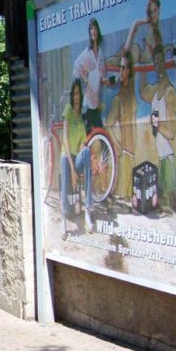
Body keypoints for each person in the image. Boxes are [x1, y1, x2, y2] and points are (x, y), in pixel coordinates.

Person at [126, 0, 176, 205]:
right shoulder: (156, 91)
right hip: (161, 159)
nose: (152, 16)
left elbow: (173, 132)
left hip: (168, 161)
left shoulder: (169, 93)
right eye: (149, 12)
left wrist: (158, 125)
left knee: (170, 203)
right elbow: (141, 92)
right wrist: (139, 67)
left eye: (154, 11)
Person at [105, 49, 137, 205]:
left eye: (124, 68)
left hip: (132, 152)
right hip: (124, 153)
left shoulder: (130, 93)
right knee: (125, 201)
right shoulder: (118, 99)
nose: (121, 70)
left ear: (129, 71)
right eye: (120, 67)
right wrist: (116, 145)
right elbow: (108, 124)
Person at [61, 78, 93, 234]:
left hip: (77, 158)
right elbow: (65, 140)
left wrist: (79, 171)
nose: (75, 97)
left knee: (87, 151)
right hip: (67, 158)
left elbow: (82, 146)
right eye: (73, 94)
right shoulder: (67, 110)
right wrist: (73, 172)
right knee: (63, 161)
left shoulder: (81, 120)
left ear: (81, 96)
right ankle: (63, 220)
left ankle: (88, 211)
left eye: (78, 94)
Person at [72, 18, 107, 132]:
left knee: (101, 135)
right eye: (91, 29)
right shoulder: (87, 53)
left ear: (98, 31)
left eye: (95, 28)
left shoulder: (100, 53)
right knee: (87, 138)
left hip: (95, 104)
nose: (93, 31)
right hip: (87, 105)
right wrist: (83, 80)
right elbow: (77, 65)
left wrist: (111, 80)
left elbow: (102, 77)